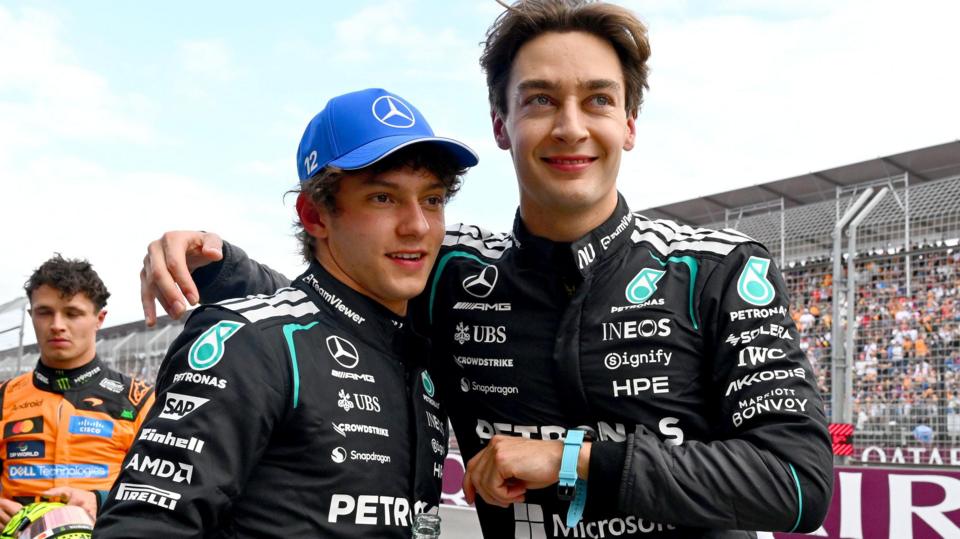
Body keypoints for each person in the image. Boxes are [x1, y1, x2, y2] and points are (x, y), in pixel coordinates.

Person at [138, 1, 833, 537]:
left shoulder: (715, 269)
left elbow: (800, 482)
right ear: (501, 125)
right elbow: (339, 304)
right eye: (538, 100)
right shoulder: (454, 272)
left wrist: (574, 460)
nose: (569, 126)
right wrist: (223, 267)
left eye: (597, 98)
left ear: (629, 123)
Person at [94, 88, 478, 537]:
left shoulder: (416, 349)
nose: (417, 225)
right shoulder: (248, 342)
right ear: (315, 216)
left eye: (432, 200)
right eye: (383, 198)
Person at [0, 255, 155, 524]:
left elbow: (166, 490)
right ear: (31, 315)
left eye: (72, 313)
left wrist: (100, 500)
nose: (57, 324)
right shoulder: (4, 397)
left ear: (100, 318)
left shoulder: (140, 400)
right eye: (45, 312)